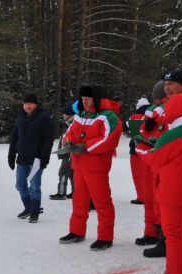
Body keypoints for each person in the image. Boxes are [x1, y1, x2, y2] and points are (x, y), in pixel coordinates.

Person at [59, 85, 122, 251]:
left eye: (88, 98)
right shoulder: (80, 114)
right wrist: (69, 141)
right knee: (79, 201)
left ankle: (105, 237)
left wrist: (85, 147)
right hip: (79, 166)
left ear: (96, 98)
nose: (85, 102)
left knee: (102, 203)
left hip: (96, 167)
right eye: (83, 99)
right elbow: (70, 131)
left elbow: (109, 139)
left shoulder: (108, 116)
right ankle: (76, 231)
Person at [147, 93, 182, 274]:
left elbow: (155, 161)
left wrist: (142, 149)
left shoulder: (171, 136)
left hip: (172, 190)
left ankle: (175, 273)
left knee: (173, 232)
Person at [7, 93, 54, 223]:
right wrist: (11, 155)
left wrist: (45, 156)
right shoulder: (20, 116)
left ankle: (34, 212)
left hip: (37, 159)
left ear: (35, 104)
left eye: (31, 103)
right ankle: (28, 208)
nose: (28, 106)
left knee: (34, 186)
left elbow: (48, 139)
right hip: (22, 157)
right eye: (26, 103)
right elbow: (15, 137)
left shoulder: (44, 117)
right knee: (20, 184)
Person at [134, 81, 167, 250]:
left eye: (158, 99)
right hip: (149, 160)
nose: (156, 102)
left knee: (162, 202)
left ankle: (164, 237)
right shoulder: (152, 111)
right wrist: (144, 135)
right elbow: (142, 131)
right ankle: (151, 232)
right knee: (149, 198)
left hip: (162, 161)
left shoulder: (172, 109)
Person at [128, 96, 150, 205]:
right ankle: (149, 196)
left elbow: (125, 127)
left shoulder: (134, 117)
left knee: (138, 175)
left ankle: (141, 197)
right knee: (148, 175)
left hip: (136, 151)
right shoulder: (151, 116)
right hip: (148, 150)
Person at [49, 104, 75, 200]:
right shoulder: (68, 123)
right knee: (72, 173)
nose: (63, 116)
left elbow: (69, 139)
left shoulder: (71, 123)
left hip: (68, 152)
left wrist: (65, 150)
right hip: (68, 152)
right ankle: (75, 192)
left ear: (69, 114)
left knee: (63, 172)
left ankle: (61, 193)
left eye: (64, 114)